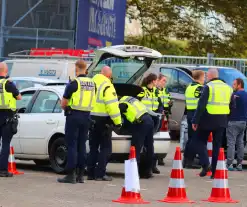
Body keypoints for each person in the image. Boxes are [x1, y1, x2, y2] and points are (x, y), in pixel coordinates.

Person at [57, 60, 96, 184]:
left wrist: (64, 106)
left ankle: (71, 174)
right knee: (82, 145)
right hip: (87, 117)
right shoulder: (92, 83)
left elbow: (64, 103)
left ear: (77, 69)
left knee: (72, 145)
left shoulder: (74, 83)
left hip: (74, 116)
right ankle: (80, 175)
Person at [189, 68, 232, 178]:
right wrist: (226, 118)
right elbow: (232, 106)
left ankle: (205, 163)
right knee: (217, 146)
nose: (206, 78)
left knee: (198, 141)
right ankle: (213, 172)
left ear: (210, 76)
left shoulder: (209, 87)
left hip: (207, 119)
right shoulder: (228, 88)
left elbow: (201, 105)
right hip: (222, 120)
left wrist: (195, 120)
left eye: (207, 75)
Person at [87, 66, 122, 181]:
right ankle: (100, 174)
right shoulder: (107, 86)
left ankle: (90, 173)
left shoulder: (91, 83)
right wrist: (118, 122)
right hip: (104, 121)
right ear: (108, 75)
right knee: (106, 149)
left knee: (93, 148)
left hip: (91, 118)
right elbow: (112, 106)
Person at [119, 96, 154, 178]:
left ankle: (132, 173)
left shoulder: (121, 103)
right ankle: (147, 171)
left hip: (140, 123)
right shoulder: (129, 98)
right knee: (149, 147)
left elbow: (120, 115)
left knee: (135, 149)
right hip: (149, 120)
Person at [137, 73, 163, 174]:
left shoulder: (156, 92)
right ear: (153, 81)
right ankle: (143, 167)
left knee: (150, 144)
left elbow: (159, 104)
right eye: (156, 80)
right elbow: (137, 102)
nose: (157, 82)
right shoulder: (142, 90)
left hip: (154, 119)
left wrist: (159, 113)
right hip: (144, 118)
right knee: (144, 144)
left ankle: (151, 166)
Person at [0, 62, 22, 177]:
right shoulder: (8, 84)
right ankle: (3, 170)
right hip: (7, 117)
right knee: (5, 144)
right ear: (6, 70)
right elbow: (19, 97)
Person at [183, 70, 205, 169]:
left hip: (190, 113)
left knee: (191, 138)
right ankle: (190, 161)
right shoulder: (199, 88)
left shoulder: (189, 87)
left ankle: (186, 159)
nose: (204, 79)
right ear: (200, 77)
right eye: (203, 77)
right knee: (195, 138)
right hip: (196, 115)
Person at [226, 78, 247, 171]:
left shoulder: (234, 95)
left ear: (239, 85)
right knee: (240, 143)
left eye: (234, 84)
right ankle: (239, 164)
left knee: (231, 143)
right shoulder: (246, 95)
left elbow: (229, 106)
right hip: (243, 122)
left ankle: (230, 164)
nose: (232, 86)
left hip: (233, 121)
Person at [156, 74, 172, 166]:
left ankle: (160, 158)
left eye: (165, 81)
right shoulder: (155, 91)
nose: (165, 83)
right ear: (157, 81)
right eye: (163, 80)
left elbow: (168, 99)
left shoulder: (165, 91)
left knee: (163, 135)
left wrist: (170, 104)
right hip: (158, 114)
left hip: (165, 114)